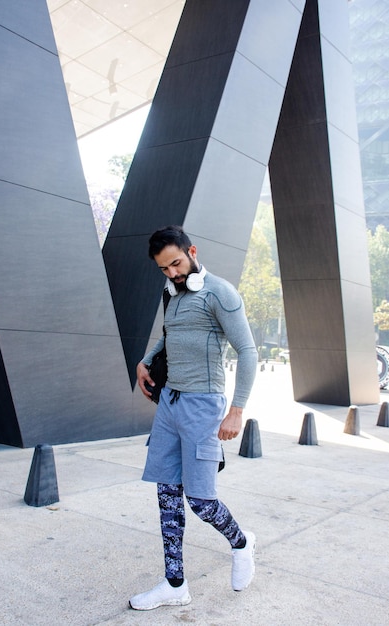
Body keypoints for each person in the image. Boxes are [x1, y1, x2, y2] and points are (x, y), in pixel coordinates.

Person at [130, 225, 258, 611]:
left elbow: (248, 351)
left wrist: (236, 410)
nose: (172, 273)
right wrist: (145, 361)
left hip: (204, 405)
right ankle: (174, 584)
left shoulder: (220, 293)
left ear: (192, 251)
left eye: (176, 263)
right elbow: (170, 335)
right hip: (169, 403)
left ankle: (242, 542)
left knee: (201, 500)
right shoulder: (171, 294)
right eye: (164, 269)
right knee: (167, 493)